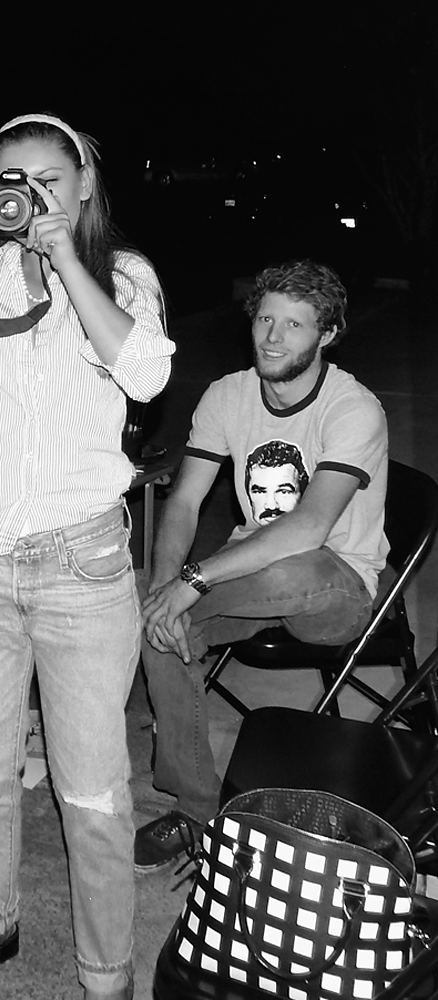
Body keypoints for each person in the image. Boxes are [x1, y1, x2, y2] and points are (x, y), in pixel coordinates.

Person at [0, 114, 173, 1000]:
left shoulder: (121, 274)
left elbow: (146, 374)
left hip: (81, 567)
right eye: (11, 179)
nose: (29, 193)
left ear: (83, 186)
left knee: (93, 794)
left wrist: (64, 259)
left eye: (48, 178)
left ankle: (106, 974)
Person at [135, 259, 388, 873]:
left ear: (328, 334)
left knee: (280, 569)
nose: (273, 337)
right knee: (154, 614)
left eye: (295, 325)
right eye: (265, 319)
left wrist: (194, 581)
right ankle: (198, 811)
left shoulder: (353, 408)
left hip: (334, 587)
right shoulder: (228, 395)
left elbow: (308, 528)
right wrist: (167, 586)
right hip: (250, 575)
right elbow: (185, 501)